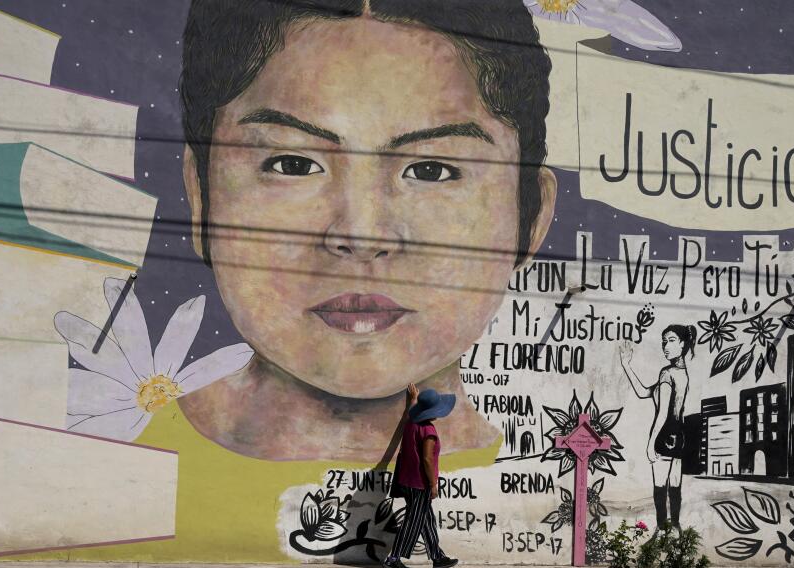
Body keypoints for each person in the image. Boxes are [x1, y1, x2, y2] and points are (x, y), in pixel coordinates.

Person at [176, 0, 557, 462]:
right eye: (293, 164)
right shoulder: (113, 461)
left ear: (530, 215)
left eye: (432, 170)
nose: (361, 235)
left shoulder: (549, 479)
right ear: (201, 198)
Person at [620, 325, 695, 531]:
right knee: (675, 485)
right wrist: (626, 365)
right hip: (679, 436)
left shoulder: (667, 373)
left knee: (660, 487)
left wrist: (651, 443)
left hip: (664, 436)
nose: (665, 346)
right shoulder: (682, 374)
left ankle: (662, 529)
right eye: (664, 341)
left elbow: (662, 413)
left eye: (671, 340)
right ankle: (676, 527)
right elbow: (644, 392)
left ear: (682, 343)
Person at [383, 384, 460, 568]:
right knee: (413, 520)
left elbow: (410, 412)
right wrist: (433, 485)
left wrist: (413, 400)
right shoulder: (429, 431)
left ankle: (437, 557)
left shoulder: (412, 422)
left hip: (407, 480)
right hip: (420, 483)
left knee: (426, 520)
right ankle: (394, 558)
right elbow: (426, 459)